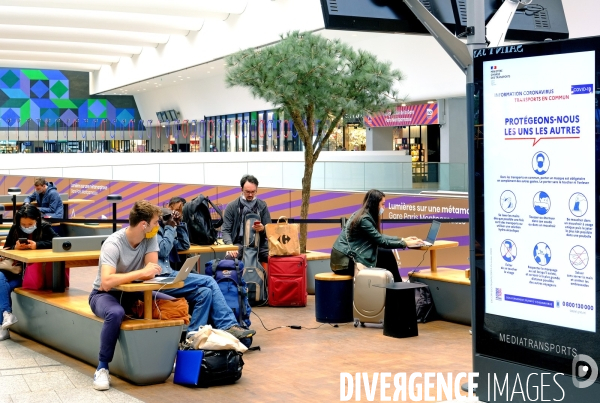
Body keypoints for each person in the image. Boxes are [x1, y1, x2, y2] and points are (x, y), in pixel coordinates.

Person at [88, 200, 167, 391]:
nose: (158, 226)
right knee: (115, 313)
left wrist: (144, 273)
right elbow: (107, 282)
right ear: (143, 225)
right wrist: (140, 273)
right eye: (155, 222)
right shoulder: (113, 243)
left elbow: (152, 270)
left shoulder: (150, 238)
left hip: (133, 291)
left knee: (173, 304)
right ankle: (102, 367)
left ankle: (170, 357)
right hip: (104, 294)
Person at [156, 201, 255, 338]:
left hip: (169, 275)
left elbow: (184, 246)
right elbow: (163, 250)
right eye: (166, 217)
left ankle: (194, 336)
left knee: (205, 292)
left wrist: (180, 225)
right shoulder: (155, 232)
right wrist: (170, 228)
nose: (170, 219)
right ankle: (227, 325)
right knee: (209, 281)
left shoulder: (168, 228)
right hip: (160, 278)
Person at [330, 189, 422, 282]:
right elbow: (382, 241)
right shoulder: (364, 219)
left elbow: (379, 236)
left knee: (386, 254)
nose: (384, 208)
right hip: (343, 263)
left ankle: (395, 287)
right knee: (386, 255)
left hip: (345, 258)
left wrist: (403, 239)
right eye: (382, 204)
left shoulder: (363, 214)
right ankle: (397, 288)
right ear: (374, 204)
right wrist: (405, 243)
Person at [1, 205, 58, 341]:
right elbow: (7, 248)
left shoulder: (45, 227)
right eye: (23, 224)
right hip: (14, 270)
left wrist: (37, 245)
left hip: (31, 274)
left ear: (37, 220)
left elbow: (59, 242)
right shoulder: (15, 228)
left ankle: (4, 325)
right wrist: (15, 247)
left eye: (30, 224)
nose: (26, 227)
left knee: (4, 288)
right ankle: (7, 314)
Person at [222, 175, 272, 269]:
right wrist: (230, 246)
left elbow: (270, 229)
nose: (250, 194)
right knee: (228, 260)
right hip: (238, 244)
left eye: (253, 192)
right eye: (247, 192)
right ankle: (234, 283)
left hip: (260, 245)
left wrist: (263, 229)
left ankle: (271, 283)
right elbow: (225, 230)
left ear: (256, 190)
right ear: (241, 189)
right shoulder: (232, 206)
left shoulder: (262, 206)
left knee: (277, 259)